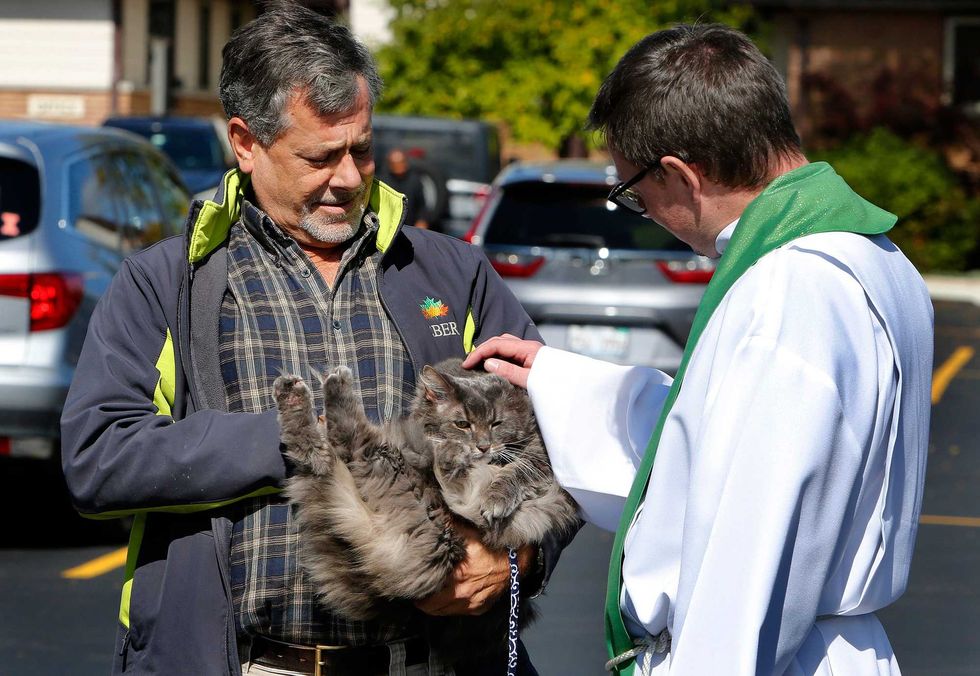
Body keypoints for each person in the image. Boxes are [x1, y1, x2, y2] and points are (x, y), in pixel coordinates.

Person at [60, 5, 571, 675]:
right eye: (320, 156)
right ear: (246, 143)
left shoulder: (449, 271)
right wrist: (289, 437)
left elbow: (561, 437)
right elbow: (98, 456)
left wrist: (519, 557)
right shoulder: (167, 283)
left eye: (360, 147)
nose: (351, 177)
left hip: (432, 663)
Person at [463, 23, 933, 676]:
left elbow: (747, 545)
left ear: (682, 175)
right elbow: (716, 441)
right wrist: (559, 379)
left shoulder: (788, 289)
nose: (643, 213)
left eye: (635, 194)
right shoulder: (869, 256)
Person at [379, 148, 432, 230]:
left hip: (411, 225)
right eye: (395, 163)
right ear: (390, 164)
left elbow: (422, 205)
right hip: (388, 226)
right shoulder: (382, 181)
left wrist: (422, 220)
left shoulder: (415, 180)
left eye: (401, 162)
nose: (399, 166)